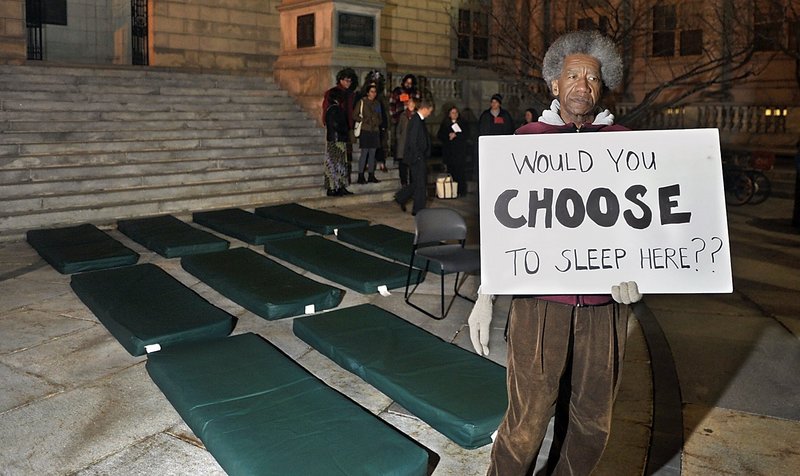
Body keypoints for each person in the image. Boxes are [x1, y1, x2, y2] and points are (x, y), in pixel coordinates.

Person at [468, 30, 643, 476]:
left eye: (592, 78)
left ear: (602, 88)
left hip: (604, 308)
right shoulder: (526, 139)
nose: (582, 85)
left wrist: (641, 276)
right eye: (573, 76)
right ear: (554, 85)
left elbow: (644, 230)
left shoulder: (626, 144)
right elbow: (505, 227)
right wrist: (486, 294)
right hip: (539, 305)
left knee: (593, 424)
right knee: (526, 421)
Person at [395, 98, 434, 215]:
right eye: (430, 110)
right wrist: (417, 156)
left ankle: (401, 197)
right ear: (425, 109)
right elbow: (412, 141)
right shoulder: (416, 120)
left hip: (419, 156)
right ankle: (418, 210)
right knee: (420, 184)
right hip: (416, 157)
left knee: (418, 182)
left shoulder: (419, 120)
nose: (430, 113)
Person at [322, 68, 358, 183]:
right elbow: (327, 112)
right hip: (337, 131)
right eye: (346, 80)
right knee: (335, 159)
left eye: (350, 81)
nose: (348, 83)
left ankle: (341, 184)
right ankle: (335, 185)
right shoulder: (333, 94)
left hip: (344, 128)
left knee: (343, 159)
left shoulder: (350, 94)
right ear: (341, 80)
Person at [323, 87, 352, 196]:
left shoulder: (333, 108)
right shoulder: (334, 109)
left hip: (337, 139)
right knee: (334, 164)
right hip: (336, 140)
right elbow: (334, 124)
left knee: (339, 164)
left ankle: (340, 186)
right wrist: (344, 130)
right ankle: (332, 188)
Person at [353, 83, 383, 184]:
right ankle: (360, 175)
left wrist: (377, 122)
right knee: (364, 153)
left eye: (375, 92)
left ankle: (371, 174)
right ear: (367, 92)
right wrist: (364, 119)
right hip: (365, 130)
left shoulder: (377, 104)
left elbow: (380, 116)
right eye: (372, 91)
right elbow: (354, 115)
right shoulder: (362, 102)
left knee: (372, 154)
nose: (373, 94)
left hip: (374, 130)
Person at [437, 106, 469, 194]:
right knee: (451, 171)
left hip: (459, 152)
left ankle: (461, 191)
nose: (454, 114)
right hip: (449, 152)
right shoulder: (445, 124)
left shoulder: (463, 123)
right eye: (452, 113)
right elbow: (440, 135)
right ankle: (452, 191)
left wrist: (457, 135)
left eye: (456, 113)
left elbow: (467, 135)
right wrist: (448, 136)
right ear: (449, 114)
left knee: (460, 172)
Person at [395, 96, 417, 186]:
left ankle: (412, 184)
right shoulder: (403, 115)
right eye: (409, 102)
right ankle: (403, 182)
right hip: (403, 143)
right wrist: (399, 138)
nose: (410, 104)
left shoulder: (417, 115)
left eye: (412, 102)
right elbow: (399, 129)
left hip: (413, 144)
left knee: (412, 166)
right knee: (403, 164)